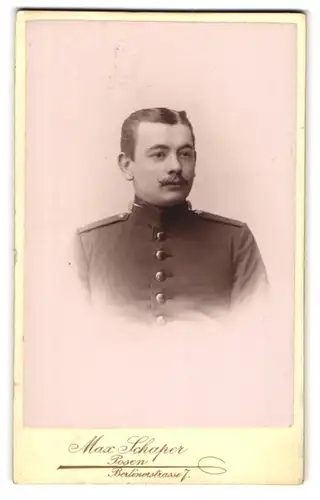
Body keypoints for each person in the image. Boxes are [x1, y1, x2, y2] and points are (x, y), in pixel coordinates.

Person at [75, 107, 267, 324]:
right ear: (126, 166)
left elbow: (256, 337)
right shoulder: (89, 245)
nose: (176, 166)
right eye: (159, 154)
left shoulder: (235, 241)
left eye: (185, 154)